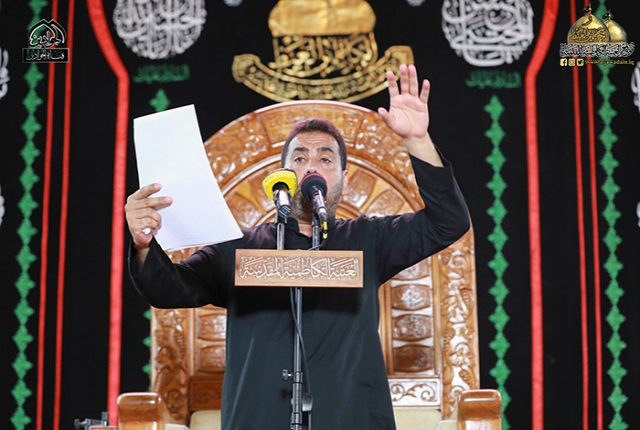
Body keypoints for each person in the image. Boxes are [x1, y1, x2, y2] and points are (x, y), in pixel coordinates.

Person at [125, 64, 470, 430]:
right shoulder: (239, 248)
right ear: (282, 176)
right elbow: (167, 289)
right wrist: (144, 243)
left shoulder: (369, 241)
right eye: (300, 158)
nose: (311, 168)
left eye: (325, 159)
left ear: (343, 178)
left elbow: (448, 222)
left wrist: (417, 140)